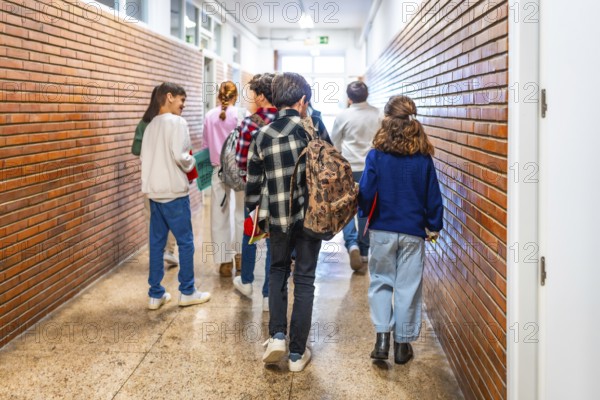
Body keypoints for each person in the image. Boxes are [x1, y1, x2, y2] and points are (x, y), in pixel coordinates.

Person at [357, 95, 443, 364]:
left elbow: (367, 191)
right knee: (408, 287)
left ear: (387, 119)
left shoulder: (376, 156)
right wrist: (434, 225)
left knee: (381, 282)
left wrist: (364, 213)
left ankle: (382, 340)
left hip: (382, 229)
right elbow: (433, 195)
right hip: (412, 232)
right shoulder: (423, 158)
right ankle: (403, 346)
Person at [245, 72, 321, 372]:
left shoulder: (261, 135)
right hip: (309, 220)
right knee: (304, 280)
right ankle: (296, 353)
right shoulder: (312, 132)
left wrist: (254, 217)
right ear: (302, 101)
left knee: (277, 272)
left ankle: (277, 335)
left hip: (276, 219)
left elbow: (252, 187)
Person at [140, 82, 211, 310]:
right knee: (186, 242)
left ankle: (155, 294)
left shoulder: (150, 126)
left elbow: (144, 159)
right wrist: (195, 162)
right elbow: (182, 157)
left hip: (153, 193)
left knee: (156, 244)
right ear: (169, 97)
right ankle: (188, 291)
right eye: (182, 100)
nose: (183, 106)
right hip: (174, 194)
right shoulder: (178, 123)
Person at [232, 73, 277, 312]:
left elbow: (241, 161)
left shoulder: (250, 124)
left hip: (255, 188)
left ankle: (247, 281)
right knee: (274, 239)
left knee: (251, 233)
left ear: (261, 96)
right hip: (280, 191)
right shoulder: (287, 121)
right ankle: (270, 294)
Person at [330, 81, 381, 270]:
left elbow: (334, 143)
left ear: (349, 97)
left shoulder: (343, 116)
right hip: (371, 168)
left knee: (347, 207)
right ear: (367, 95)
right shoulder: (378, 114)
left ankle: (351, 244)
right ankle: (365, 251)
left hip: (348, 167)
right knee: (365, 207)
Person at [131, 86, 179, 268]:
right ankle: (169, 251)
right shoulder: (173, 122)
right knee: (172, 217)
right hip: (170, 180)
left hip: (150, 179)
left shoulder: (145, 122)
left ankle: (155, 256)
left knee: (151, 219)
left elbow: (135, 149)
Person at [201, 81, 245, 277]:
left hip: (217, 169)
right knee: (241, 213)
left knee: (219, 215)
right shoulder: (240, 114)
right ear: (235, 97)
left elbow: (205, 145)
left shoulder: (209, 115)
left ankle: (224, 263)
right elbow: (246, 143)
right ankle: (241, 257)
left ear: (219, 96)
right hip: (238, 168)